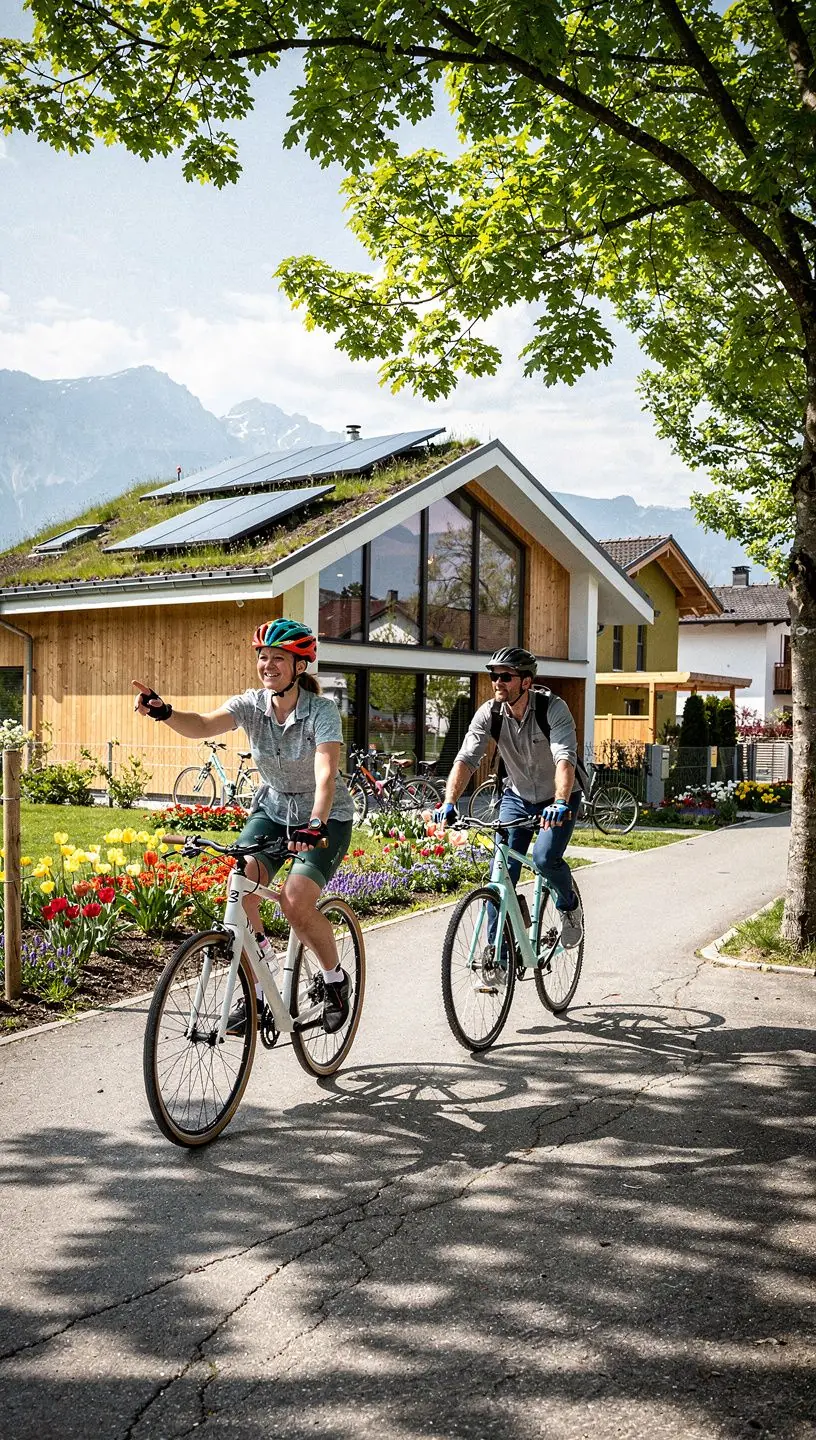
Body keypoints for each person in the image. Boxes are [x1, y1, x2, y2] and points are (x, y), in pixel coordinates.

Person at [132, 618, 355, 1034]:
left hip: (325, 817)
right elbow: (200, 724)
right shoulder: (251, 705)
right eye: (263, 657)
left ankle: (334, 979)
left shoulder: (321, 712)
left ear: (299, 667)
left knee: (294, 901)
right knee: (241, 883)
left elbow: (325, 773)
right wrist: (163, 712)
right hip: (271, 810)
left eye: (278, 658)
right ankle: (255, 989)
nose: (268, 665)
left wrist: (314, 825)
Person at [433, 646, 584, 964]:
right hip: (516, 796)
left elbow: (564, 758)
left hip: (560, 798)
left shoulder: (552, 709)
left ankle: (569, 907)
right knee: (499, 874)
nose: (497, 682)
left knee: (544, 858)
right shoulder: (490, 712)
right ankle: (497, 958)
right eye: (493, 675)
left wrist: (559, 802)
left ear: (526, 682)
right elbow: (466, 758)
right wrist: (449, 801)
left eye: (505, 676)